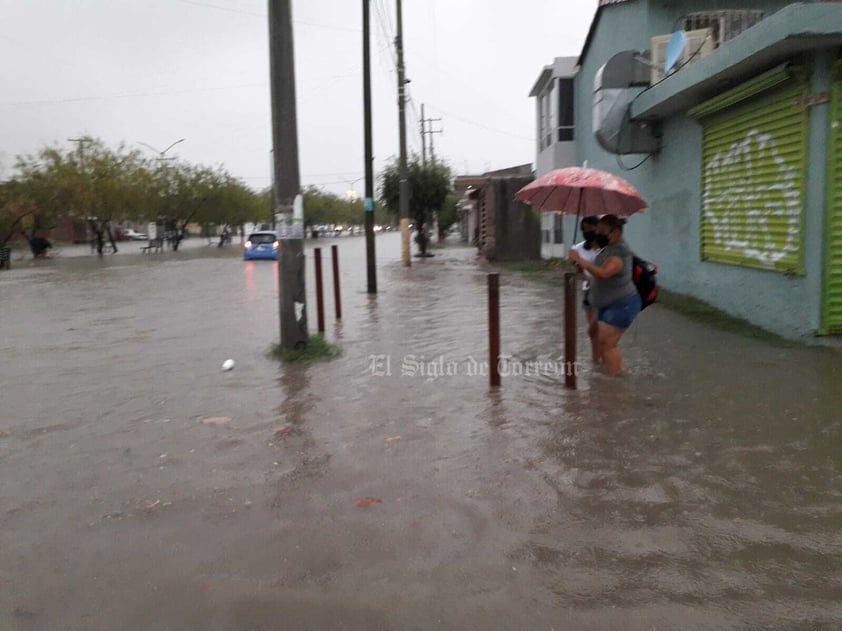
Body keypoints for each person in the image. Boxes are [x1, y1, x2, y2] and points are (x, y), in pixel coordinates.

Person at [568, 214, 641, 376]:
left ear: (615, 232)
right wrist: (578, 262)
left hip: (622, 304)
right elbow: (593, 269)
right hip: (606, 304)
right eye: (597, 231)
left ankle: (615, 385)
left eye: (602, 231)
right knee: (600, 340)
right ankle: (608, 375)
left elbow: (605, 273)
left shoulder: (620, 251)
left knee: (607, 344)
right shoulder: (608, 249)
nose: (597, 234)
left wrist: (580, 260)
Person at [569, 216, 602, 363]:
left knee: (601, 326)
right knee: (593, 328)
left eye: (590, 228)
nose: (586, 231)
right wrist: (578, 265)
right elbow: (579, 272)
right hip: (588, 290)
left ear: (598, 228)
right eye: (583, 229)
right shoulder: (578, 249)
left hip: (606, 291)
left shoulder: (605, 247)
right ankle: (596, 359)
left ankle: (605, 357)